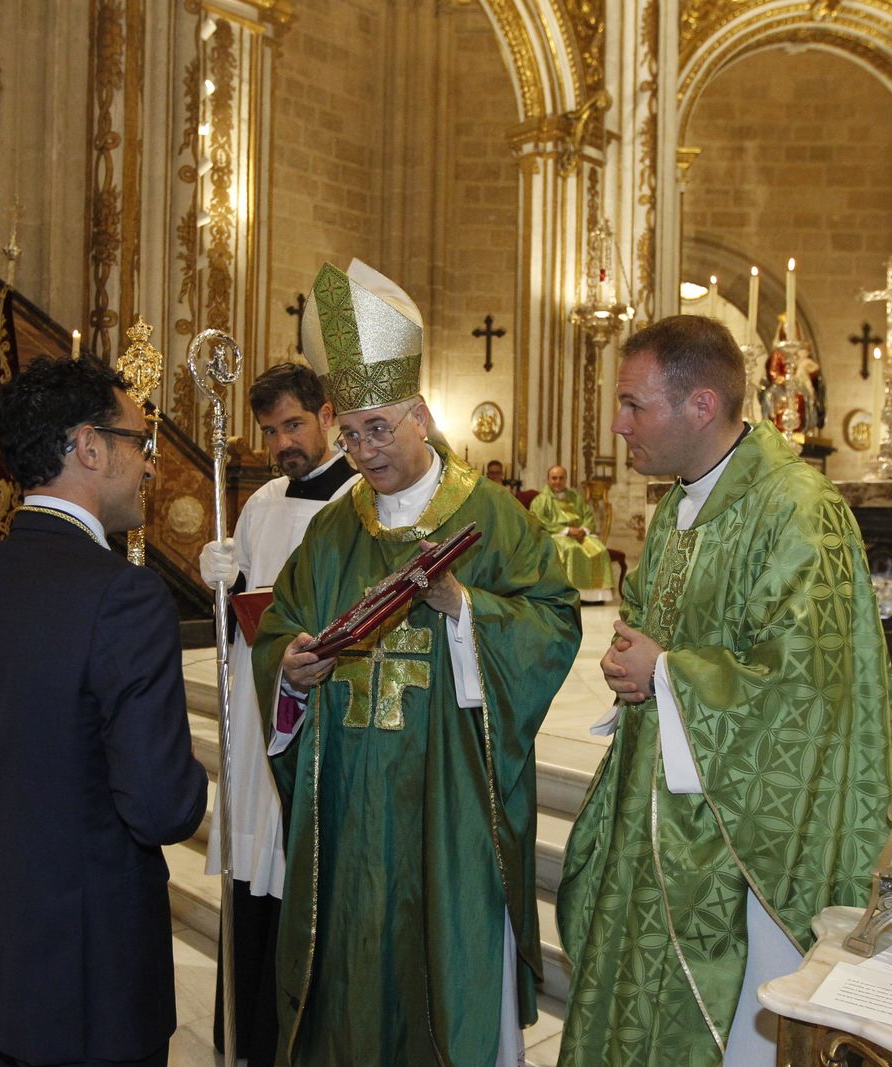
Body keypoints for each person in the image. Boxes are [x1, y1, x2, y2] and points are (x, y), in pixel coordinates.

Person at [555, 316, 892, 1067]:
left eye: (632, 405)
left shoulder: (798, 507)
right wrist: (634, 666)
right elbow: (659, 627)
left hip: (747, 838)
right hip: (664, 817)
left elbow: (812, 686)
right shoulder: (681, 505)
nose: (618, 426)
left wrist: (668, 674)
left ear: (702, 405)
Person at [252, 260, 581, 1067]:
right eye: (350, 432)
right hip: (353, 806)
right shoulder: (332, 531)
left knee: (446, 965)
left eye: (380, 428)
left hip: (452, 798)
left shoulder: (490, 515)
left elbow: (553, 620)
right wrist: (289, 672)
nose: (364, 451)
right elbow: (283, 629)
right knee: (359, 976)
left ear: (422, 415)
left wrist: (464, 610)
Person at [0, 356, 207, 1067]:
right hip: (93, 982)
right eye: (140, 443)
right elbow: (160, 807)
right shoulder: (125, 595)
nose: (150, 466)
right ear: (90, 446)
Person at [196, 360, 358, 1067]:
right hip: (255, 718)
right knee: (250, 882)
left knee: (301, 875)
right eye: (269, 431)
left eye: (293, 424)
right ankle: (249, 1041)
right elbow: (239, 628)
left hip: (316, 716)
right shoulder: (259, 503)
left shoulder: (361, 502)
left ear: (328, 415)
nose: (281, 443)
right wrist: (225, 587)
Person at [529, 465, 615, 603]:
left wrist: (583, 529)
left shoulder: (576, 497)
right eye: (554, 478)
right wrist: (567, 530)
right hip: (556, 535)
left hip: (580, 534)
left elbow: (588, 515)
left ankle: (596, 597)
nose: (557, 481)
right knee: (572, 550)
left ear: (566, 479)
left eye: (561, 478)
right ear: (548, 479)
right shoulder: (540, 500)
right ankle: (572, 595)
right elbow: (537, 521)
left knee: (601, 550)